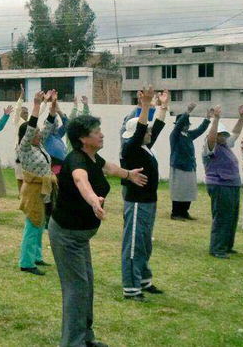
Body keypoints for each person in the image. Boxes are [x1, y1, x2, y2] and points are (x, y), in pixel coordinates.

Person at [51, 114, 146, 347]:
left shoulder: (92, 157)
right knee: (76, 289)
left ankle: (85, 337)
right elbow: (80, 180)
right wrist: (94, 200)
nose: (101, 134)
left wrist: (128, 174)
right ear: (83, 138)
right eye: (96, 132)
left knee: (86, 286)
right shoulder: (76, 160)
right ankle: (72, 343)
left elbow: (109, 167)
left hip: (80, 237)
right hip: (66, 236)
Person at [119, 86, 168, 300]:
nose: (150, 133)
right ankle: (131, 287)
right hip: (137, 203)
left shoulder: (144, 146)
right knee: (134, 245)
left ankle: (143, 279)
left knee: (145, 244)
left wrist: (163, 107)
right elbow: (141, 131)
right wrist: (146, 104)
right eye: (146, 131)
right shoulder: (130, 149)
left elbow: (156, 128)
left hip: (148, 202)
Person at [17, 91, 57, 276]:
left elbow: (48, 126)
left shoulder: (38, 145)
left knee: (40, 223)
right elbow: (31, 127)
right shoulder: (25, 148)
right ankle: (26, 262)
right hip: (33, 190)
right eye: (36, 131)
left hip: (43, 189)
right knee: (33, 224)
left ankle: (36, 256)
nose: (40, 133)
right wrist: (35, 105)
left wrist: (52, 107)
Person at [203, 104, 243, 259]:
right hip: (220, 185)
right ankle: (217, 248)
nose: (223, 137)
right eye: (220, 134)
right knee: (222, 217)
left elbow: (235, 132)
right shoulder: (210, 146)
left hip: (231, 184)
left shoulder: (225, 144)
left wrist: (241, 118)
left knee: (231, 217)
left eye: (223, 135)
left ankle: (227, 246)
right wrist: (215, 120)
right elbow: (211, 137)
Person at [168, 103, 212, 220]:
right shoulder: (175, 135)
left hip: (189, 166)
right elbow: (178, 126)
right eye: (185, 124)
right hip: (179, 166)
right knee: (178, 191)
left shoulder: (188, 135)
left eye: (187, 124)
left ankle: (184, 212)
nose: (186, 126)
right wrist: (187, 112)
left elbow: (200, 130)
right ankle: (176, 213)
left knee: (188, 190)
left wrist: (207, 118)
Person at [13, 85, 29, 194]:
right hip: (19, 150)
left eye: (27, 112)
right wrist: (21, 97)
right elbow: (17, 109)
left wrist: (45, 101)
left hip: (29, 150)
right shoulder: (17, 121)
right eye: (24, 112)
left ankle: (25, 193)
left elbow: (40, 111)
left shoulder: (30, 122)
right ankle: (20, 193)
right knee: (19, 174)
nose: (26, 114)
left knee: (27, 174)